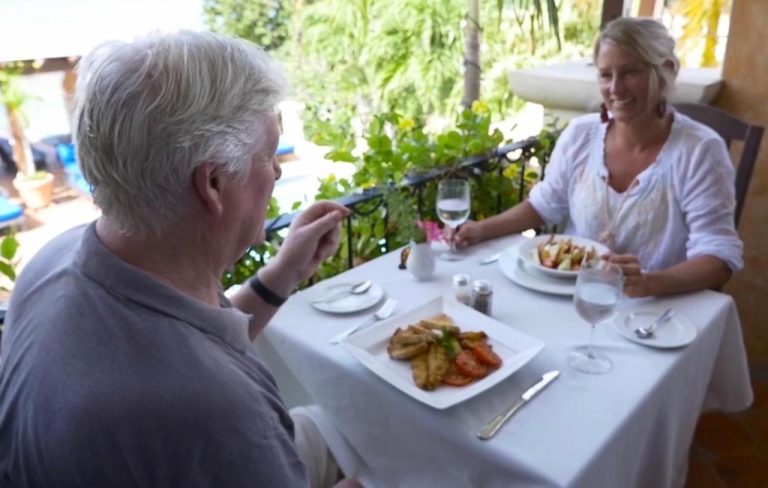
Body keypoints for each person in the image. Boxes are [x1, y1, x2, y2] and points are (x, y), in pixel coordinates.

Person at [0, 31, 359, 488]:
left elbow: (189, 341)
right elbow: (198, 388)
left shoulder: (57, 259)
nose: (277, 171)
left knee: (335, 422)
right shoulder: (218, 414)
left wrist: (283, 274)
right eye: (268, 154)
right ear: (212, 185)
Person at [451, 17, 742, 297]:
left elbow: (718, 256)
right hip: (572, 296)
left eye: (629, 72)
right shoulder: (581, 135)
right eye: (606, 74)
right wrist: (481, 228)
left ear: (665, 70)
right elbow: (544, 205)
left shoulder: (700, 151)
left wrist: (650, 283)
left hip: (657, 311)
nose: (615, 88)